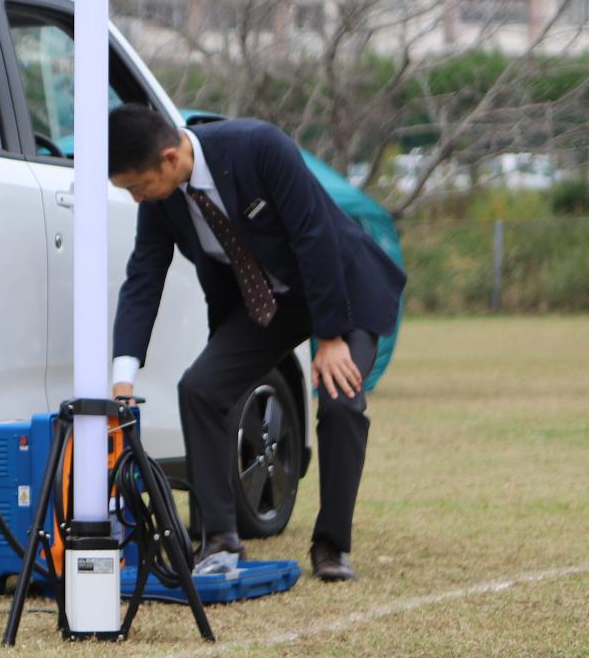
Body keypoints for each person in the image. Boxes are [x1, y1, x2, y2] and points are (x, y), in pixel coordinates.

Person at [106, 105, 405, 582]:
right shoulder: (162, 202)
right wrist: (123, 377)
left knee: (341, 400)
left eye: (138, 186)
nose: (137, 198)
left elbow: (314, 236)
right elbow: (143, 277)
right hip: (270, 303)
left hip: (340, 287)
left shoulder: (258, 147)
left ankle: (331, 545)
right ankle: (220, 540)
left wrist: (330, 338)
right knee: (200, 389)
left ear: (169, 158)